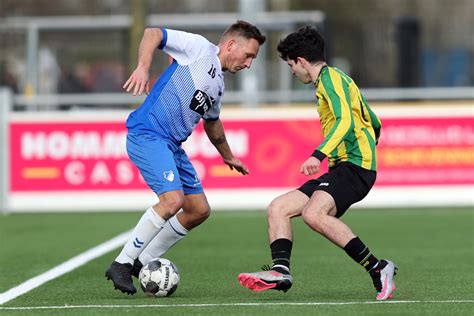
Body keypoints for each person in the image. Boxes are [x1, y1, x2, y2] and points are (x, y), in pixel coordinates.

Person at [237, 26, 397, 301]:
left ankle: (378, 268)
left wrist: (318, 154)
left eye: (290, 65)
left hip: (355, 167)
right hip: (345, 167)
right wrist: (371, 140)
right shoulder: (337, 80)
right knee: (279, 208)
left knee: (314, 214)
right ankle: (280, 271)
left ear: (301, 61)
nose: (292, 71)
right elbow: (374, 120)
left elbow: (345, 121)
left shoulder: (329, 80)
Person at [106, 21, 266, 295]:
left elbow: (213, 123)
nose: (249, 63)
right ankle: (122, 263)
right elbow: (152, 33)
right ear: (231, 45)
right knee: (172, 201)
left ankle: (143, 260)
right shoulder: (198, 49)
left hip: (171, 146)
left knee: (198, 209)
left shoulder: (218, 84)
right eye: (249, 55)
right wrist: (143, 67)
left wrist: (229, 156)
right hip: (148, 133)